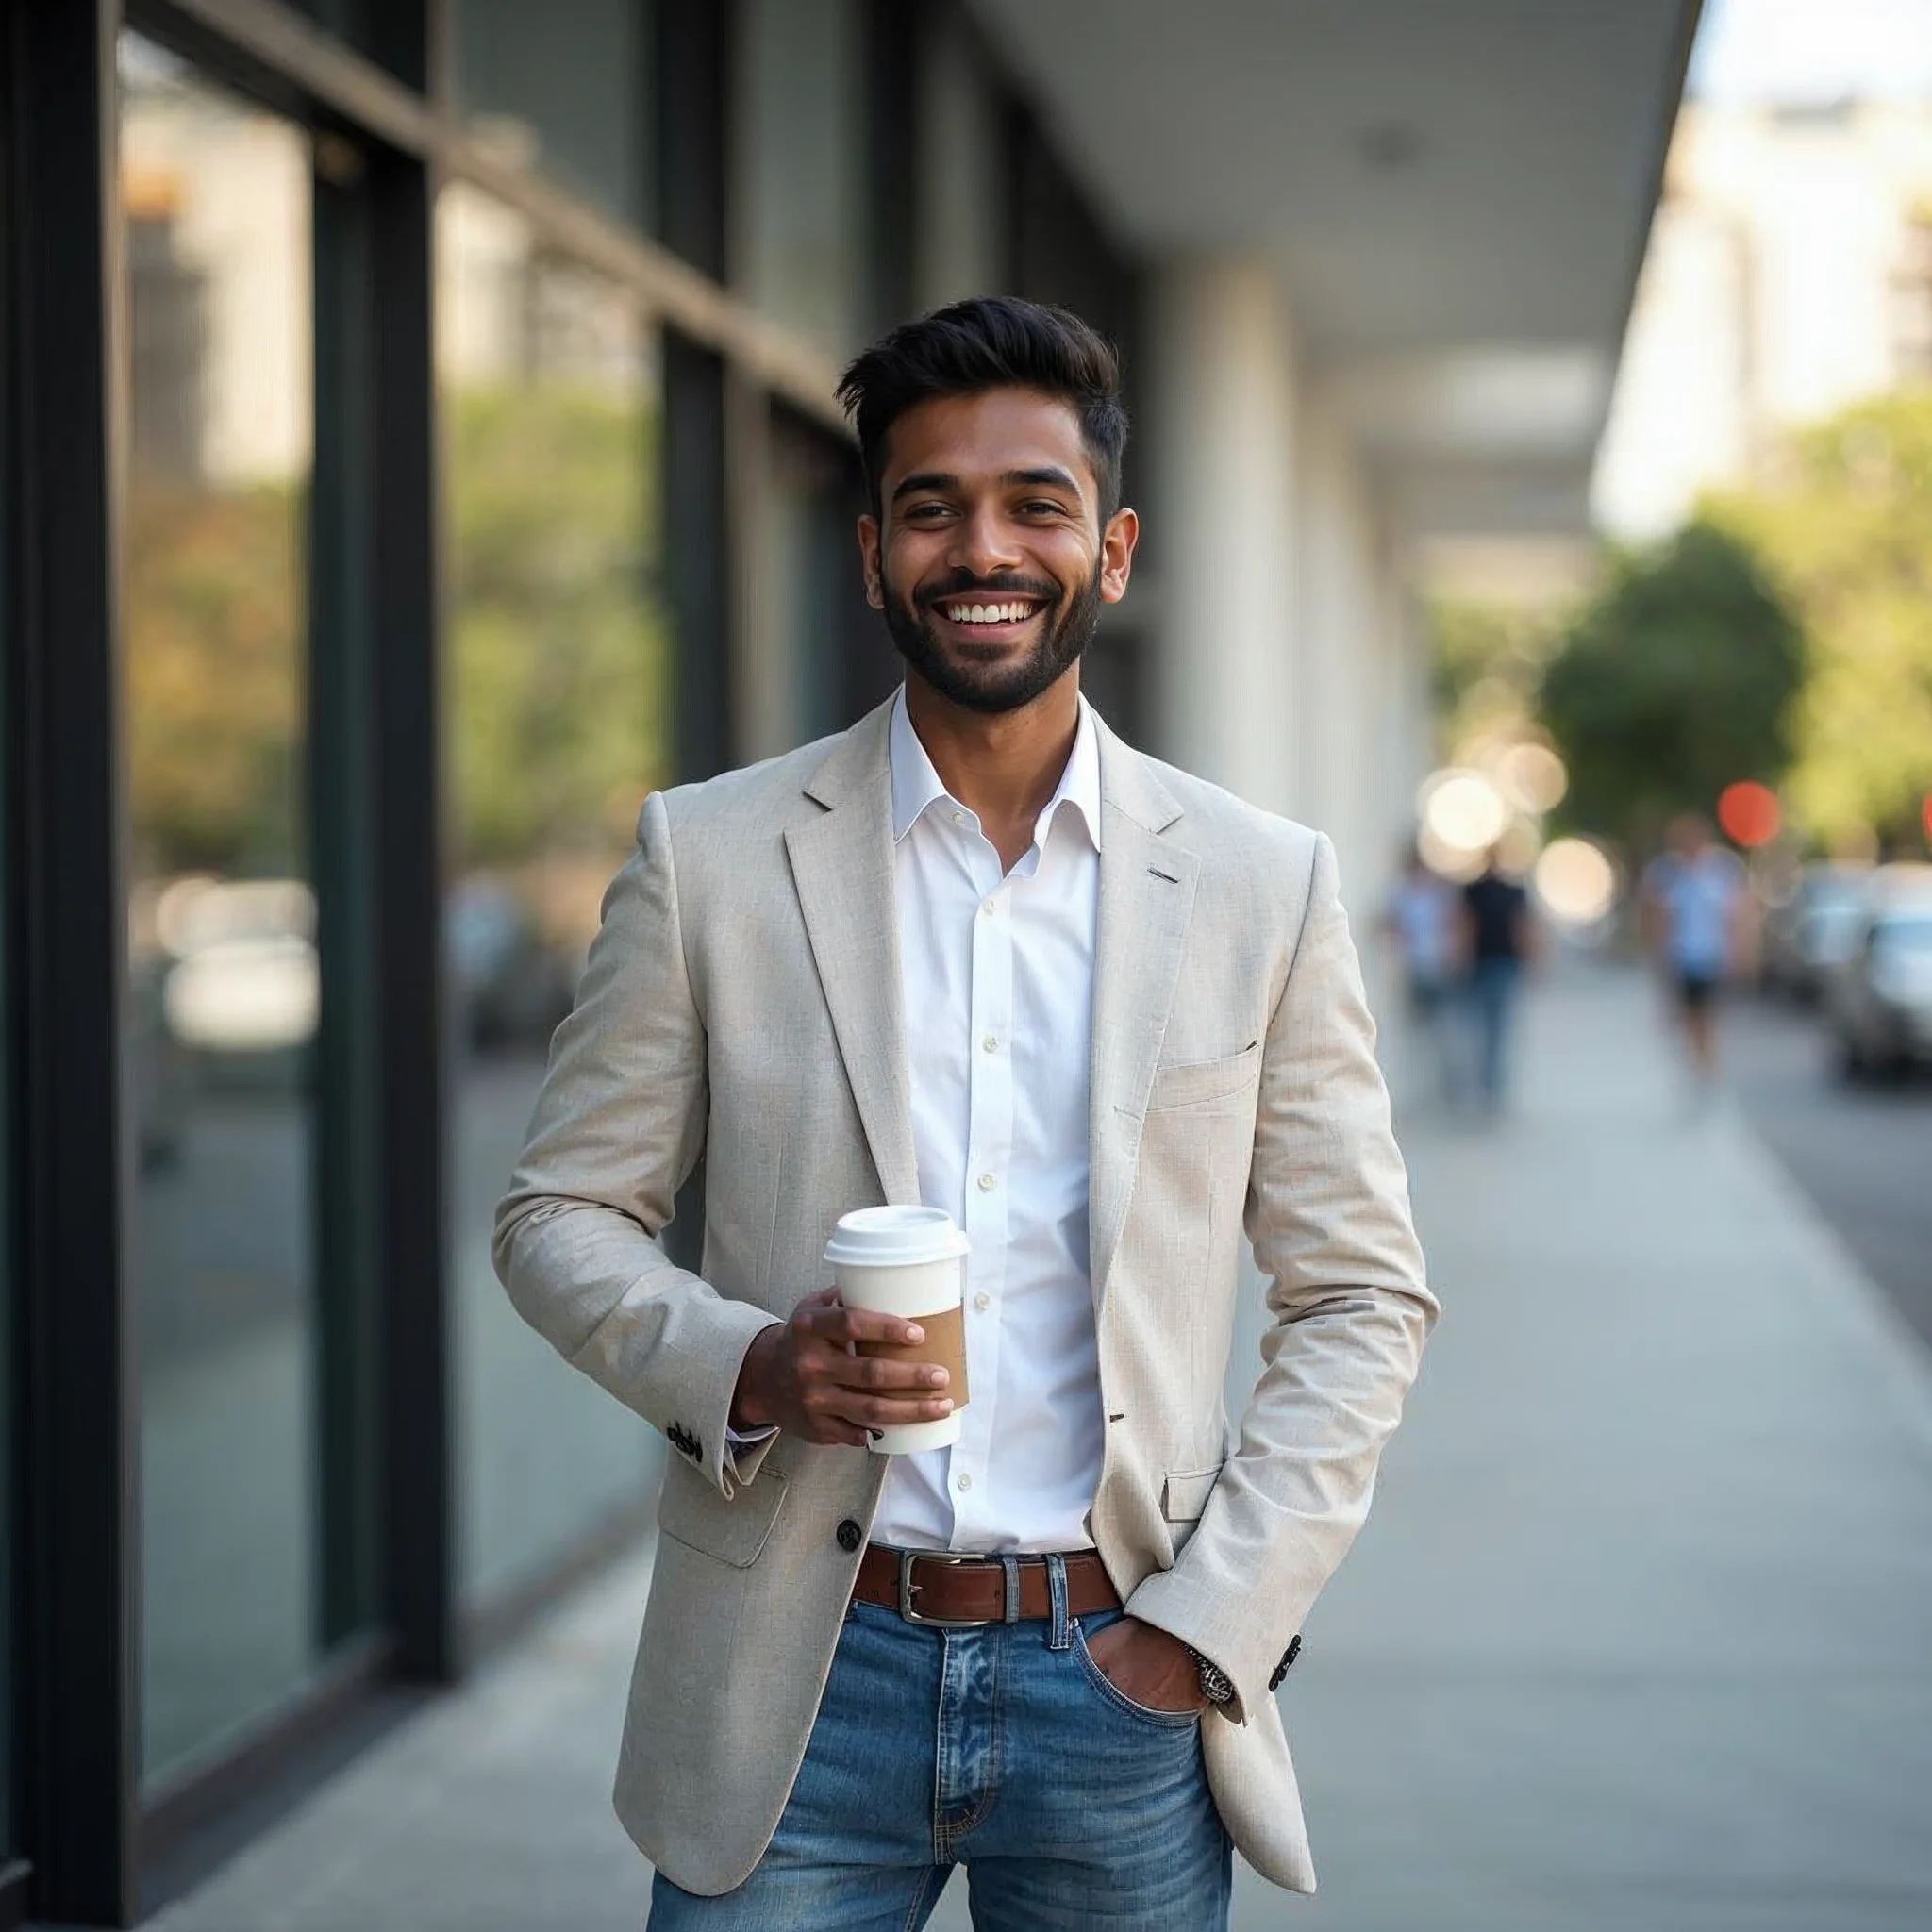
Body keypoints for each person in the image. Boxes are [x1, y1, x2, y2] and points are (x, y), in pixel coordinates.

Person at [494, 297, 1434, 1930]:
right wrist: (752, 1363)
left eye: (1031, 504)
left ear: (1113, 549)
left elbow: (1358, 1293)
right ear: (870, 555)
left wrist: (1206, 1619)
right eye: (930, 505)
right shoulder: (708, 858)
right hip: (794, 1684)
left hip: (1121, 1684)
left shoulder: (1254, 884)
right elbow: (555, 1215)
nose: (978, 545)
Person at [1641, 813, 1751, 1098]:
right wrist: (1659, 955)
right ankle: (1698, 1066)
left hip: (1712, 956)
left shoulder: (1723, 871)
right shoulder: (1666, 873)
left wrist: (1739, 952)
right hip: (1681, 956)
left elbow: (1735, 916)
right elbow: (1656, 918)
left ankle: (1708, 1070)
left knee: (1709, 1017)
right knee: (1689, 1018)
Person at [1382, 842, 1462, 1102]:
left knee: (1444, 1028)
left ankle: (1446, 1086)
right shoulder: (1402, 894)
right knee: (1417, 1028)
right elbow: (1389, 924)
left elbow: (1453, 924)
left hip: (1437, 966)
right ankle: (1420, 1085)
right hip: (1413, 968)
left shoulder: (1439, 894)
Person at [1459, 846, 1537, 1112]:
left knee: (1497, 1030)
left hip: (1503, 964)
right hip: (1483, 965)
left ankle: (1492, 1087)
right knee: (1485, 1029)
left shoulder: (1513, 892)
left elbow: (1521, 927)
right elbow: (1467, 927)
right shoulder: (1473, 891)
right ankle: (1487, 1086)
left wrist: (1530, 958)